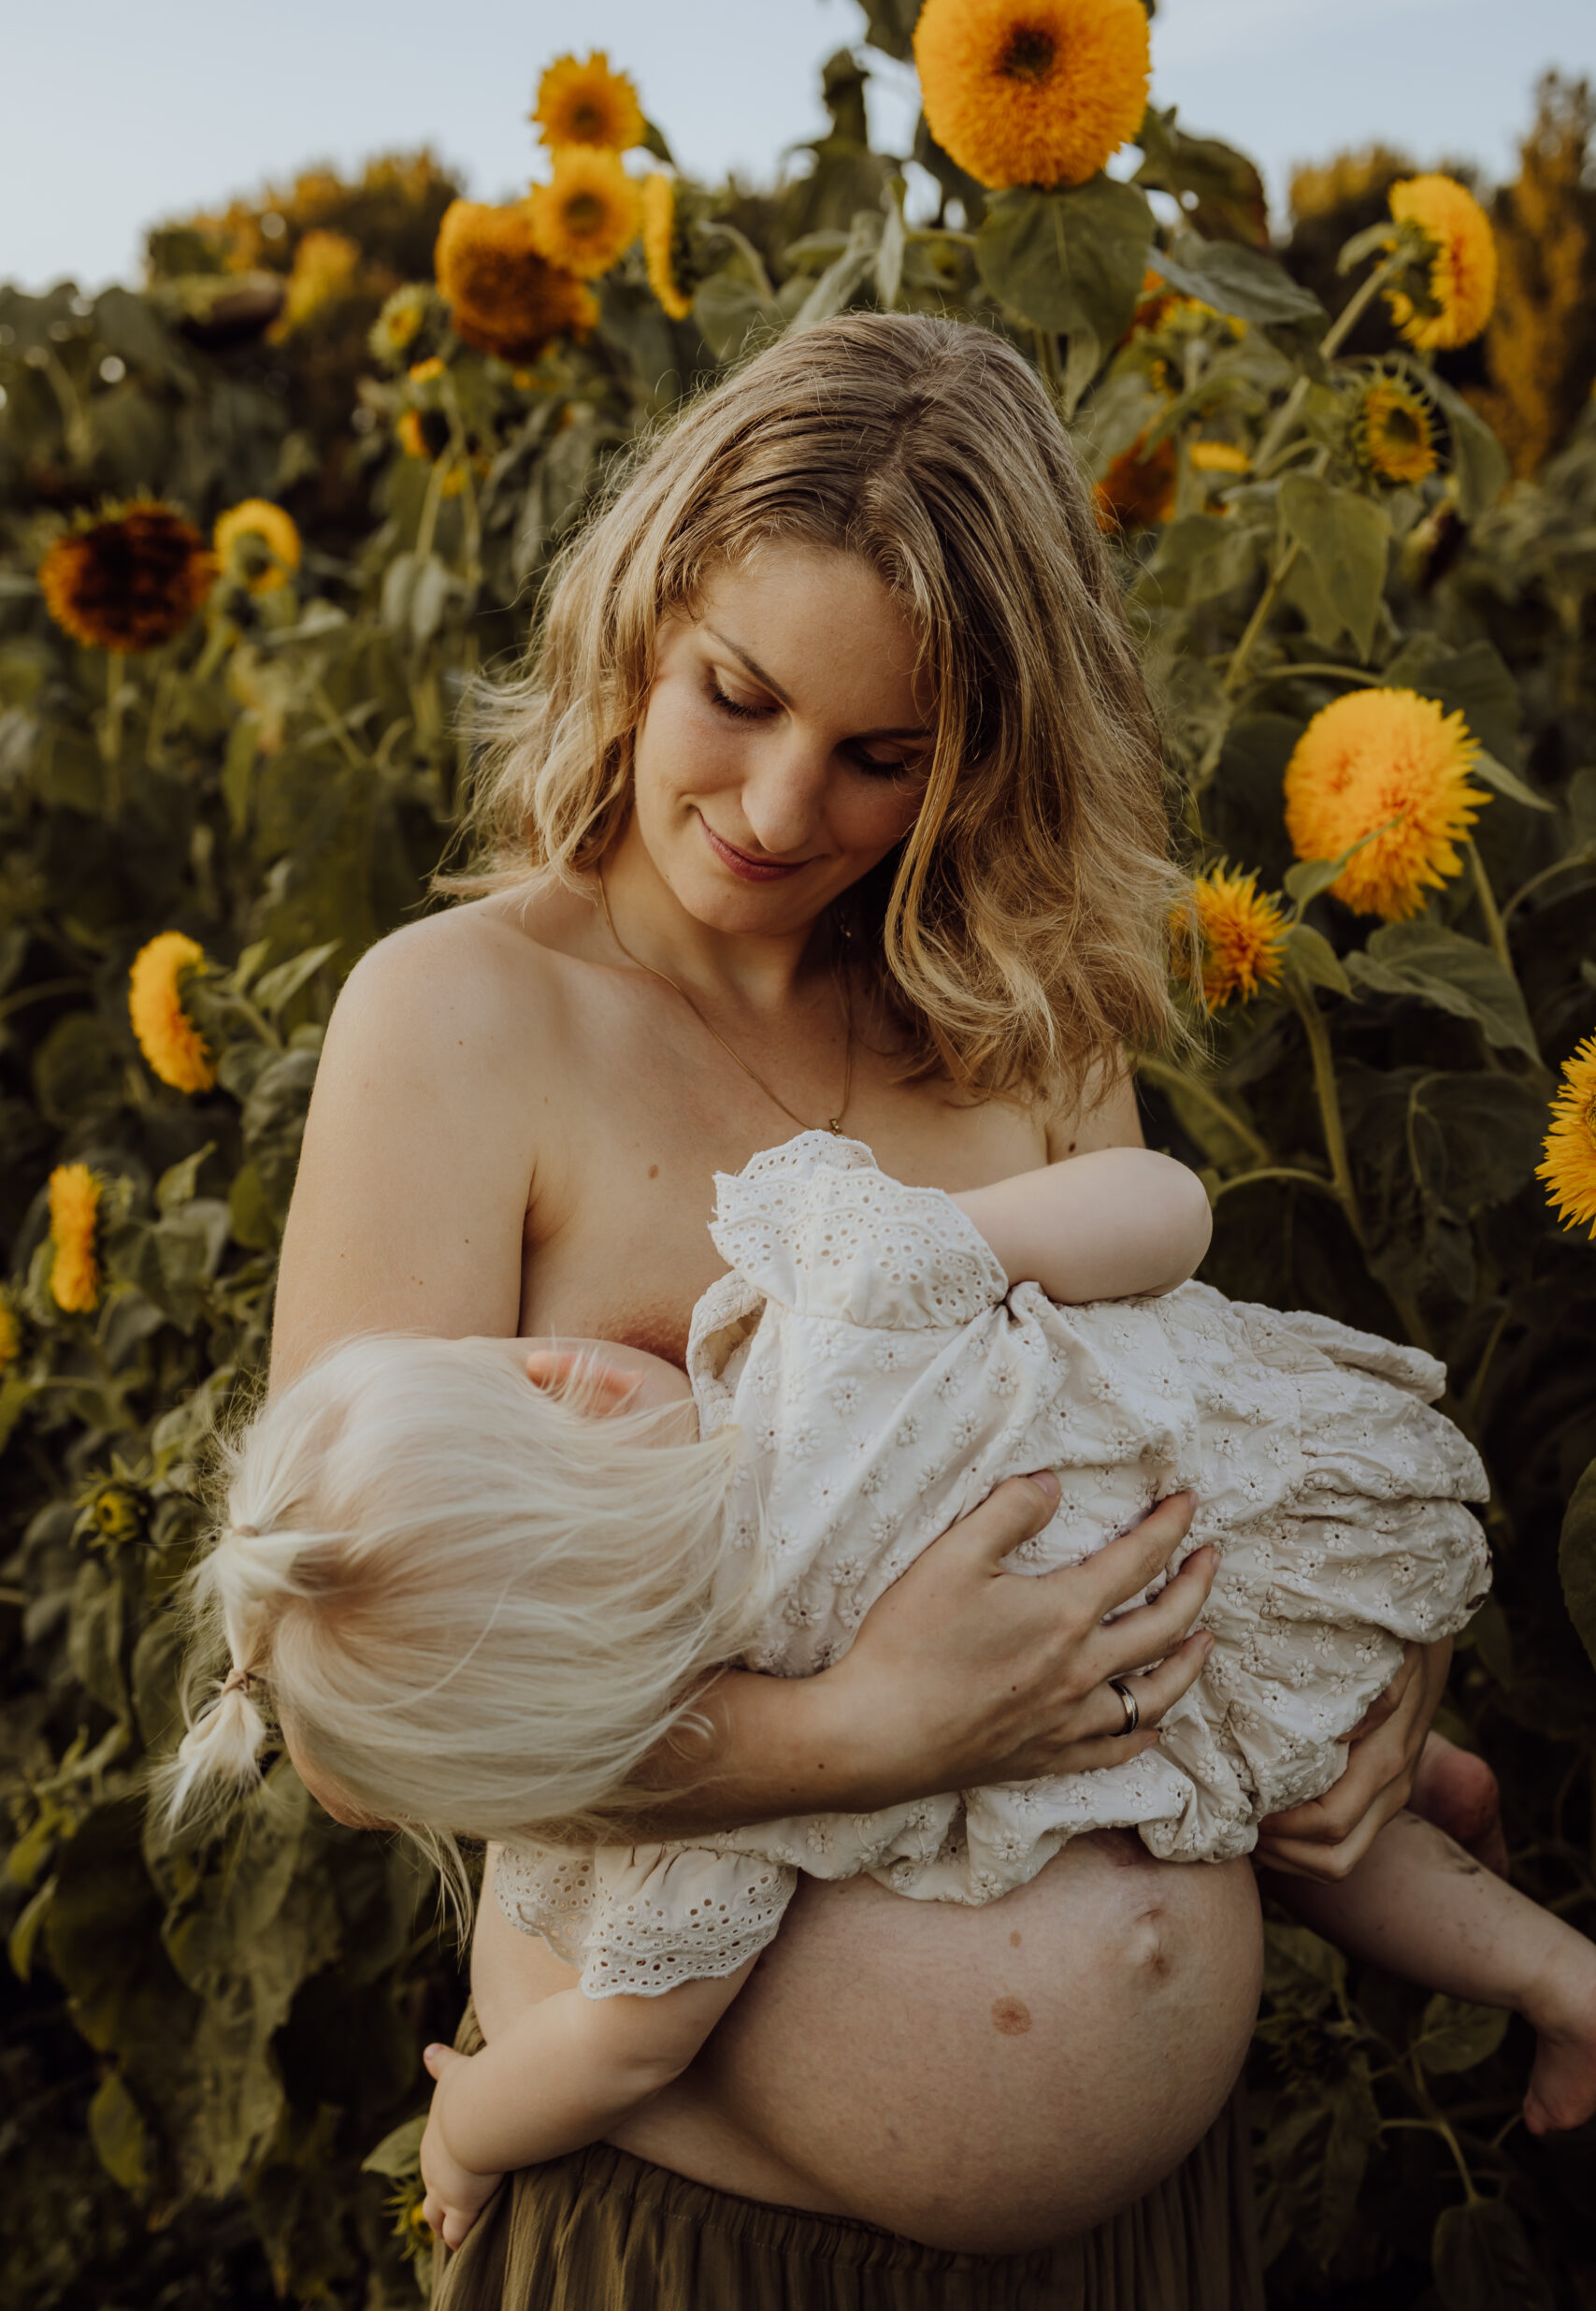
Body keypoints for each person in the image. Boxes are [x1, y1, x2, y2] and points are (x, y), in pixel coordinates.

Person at [259, 312, 1474, 2304]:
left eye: (879, 755)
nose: (772, 801)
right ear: (648, 614)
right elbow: (348, 1712)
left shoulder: (1020, 1009)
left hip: (1137, 2229)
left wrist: (1373, 1677)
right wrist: (857, 1729)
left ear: (977, 758)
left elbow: (1167, 1427)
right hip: (710, 2230)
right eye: (733, 694)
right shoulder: (460, 1020)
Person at [165, 1124, 1596, 2257]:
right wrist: (991, 1233)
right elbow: (1168, 1208)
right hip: (1296, 1548)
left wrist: (470, 2126)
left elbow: (615, 2046)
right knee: (1274, 1789)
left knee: (1272, 1798)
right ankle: (1555, 1968)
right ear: (559, 1377)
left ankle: (1554, 1974)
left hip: (1223, 1659)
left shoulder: (714, 1786)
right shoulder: (847, 1302)